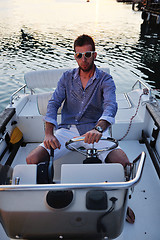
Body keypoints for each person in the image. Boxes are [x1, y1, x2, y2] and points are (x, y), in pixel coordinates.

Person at [26, 34, 130, 169]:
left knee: (124, 163)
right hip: (67, 130)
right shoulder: (66, 77)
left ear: (94, 55)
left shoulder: (105, 79)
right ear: (75, 56)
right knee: (32, 159)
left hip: (95, 130)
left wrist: (98, 129)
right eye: (79, 55)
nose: (83, 59)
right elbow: (54, 103)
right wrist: (49, 133)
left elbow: (111, 105)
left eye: (87, 54)